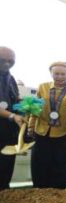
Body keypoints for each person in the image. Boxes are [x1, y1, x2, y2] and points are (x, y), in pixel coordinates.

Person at [30, 61, 66, 189]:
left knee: (61, 165)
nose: (60, 77)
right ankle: (39, 192)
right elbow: (34, 109)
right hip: (42, 131)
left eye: (63, 74)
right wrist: (30, 127)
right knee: (40, 164)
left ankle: (58, 194)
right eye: (56, 74)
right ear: (51, 73)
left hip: (64, 133)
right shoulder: (42, 87)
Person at [0, 46, 23, 190]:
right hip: (8, 121)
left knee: (6, 168)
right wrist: (12, 115)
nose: (7, 63)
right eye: (2, 60)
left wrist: (26, 106)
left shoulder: (11, 78)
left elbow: (15, 100)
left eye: (11, 61)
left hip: (8, 132)